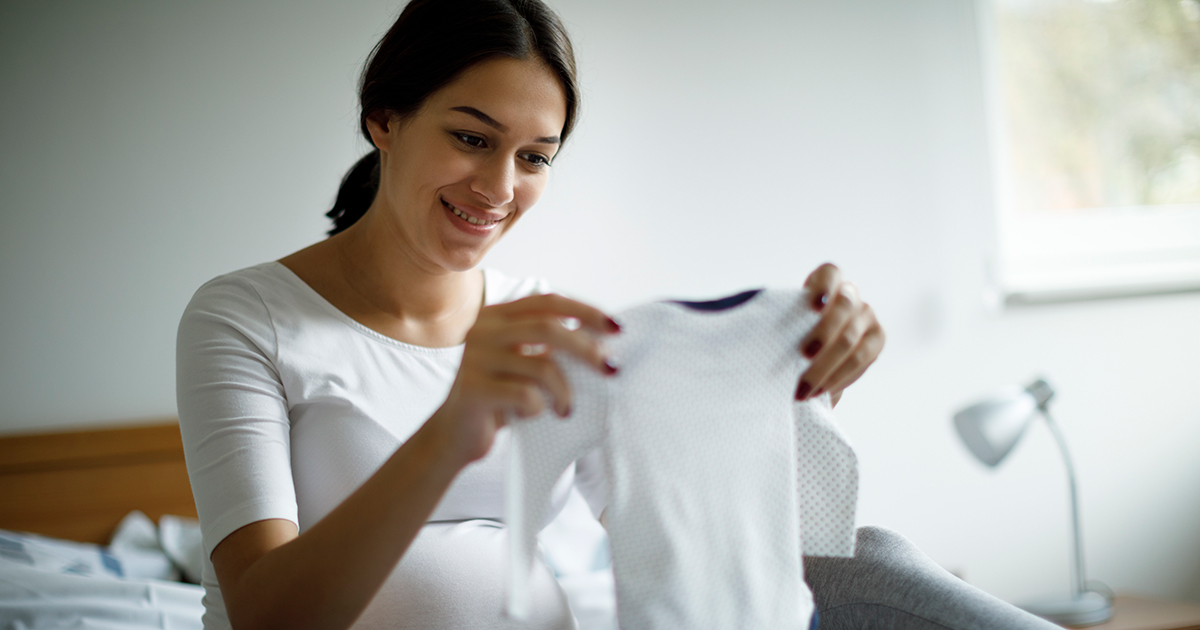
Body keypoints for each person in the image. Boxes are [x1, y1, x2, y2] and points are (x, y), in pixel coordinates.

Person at [176, 1, 1055, 629]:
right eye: (472, 138)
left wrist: (801, 374)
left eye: (535, 157)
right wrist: (456, 426)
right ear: (385, 119)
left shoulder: (544, 327)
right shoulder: (247, 316)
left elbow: (711, 538)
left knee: (877, 563)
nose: (499, 188)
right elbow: (267, 613)